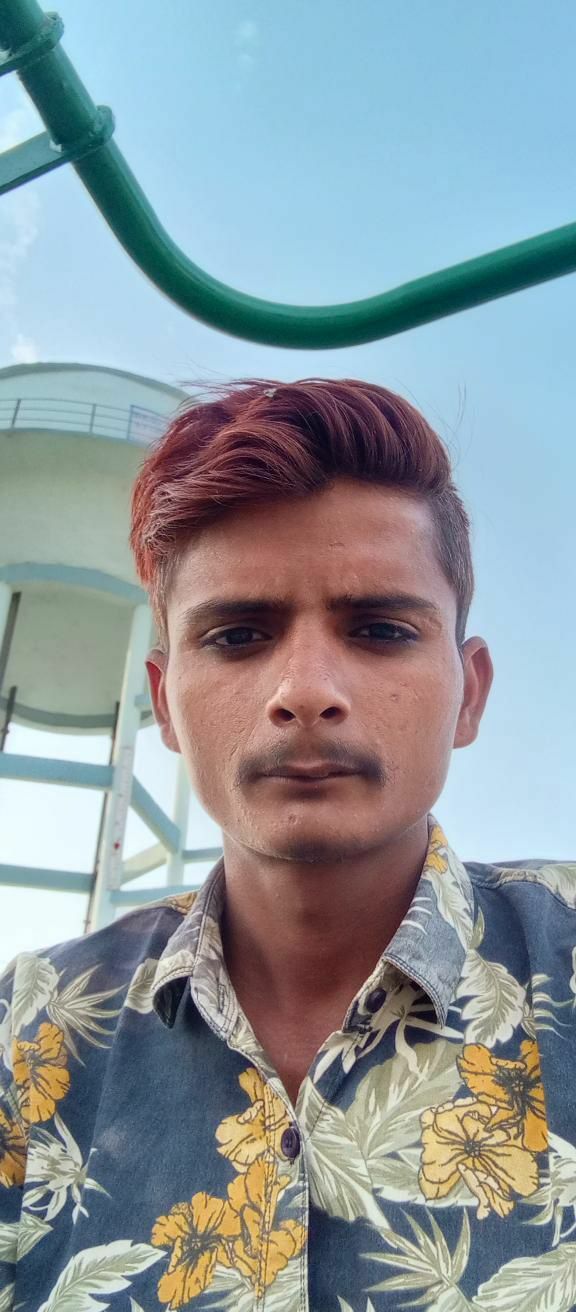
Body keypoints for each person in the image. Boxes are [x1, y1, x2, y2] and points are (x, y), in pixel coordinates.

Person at [0, 378, 574, 1312]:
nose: (305, 691)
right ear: (165, 704)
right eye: (237, 636)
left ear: (468, 694)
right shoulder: (32, 1028)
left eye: (380, 630)